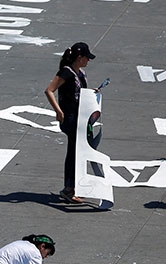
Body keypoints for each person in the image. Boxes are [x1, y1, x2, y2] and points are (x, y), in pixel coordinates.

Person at [44, 42, 96, 204]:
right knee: (74, 153)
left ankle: (74, 186)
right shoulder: (66, 73)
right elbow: (49, 90)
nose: (88, 60)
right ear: (79, 58)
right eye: (87, 57)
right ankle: (68, 189)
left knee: (80, 153)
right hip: (72, 118)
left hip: (81, 117)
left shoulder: (80, 72)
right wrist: (58, 111)